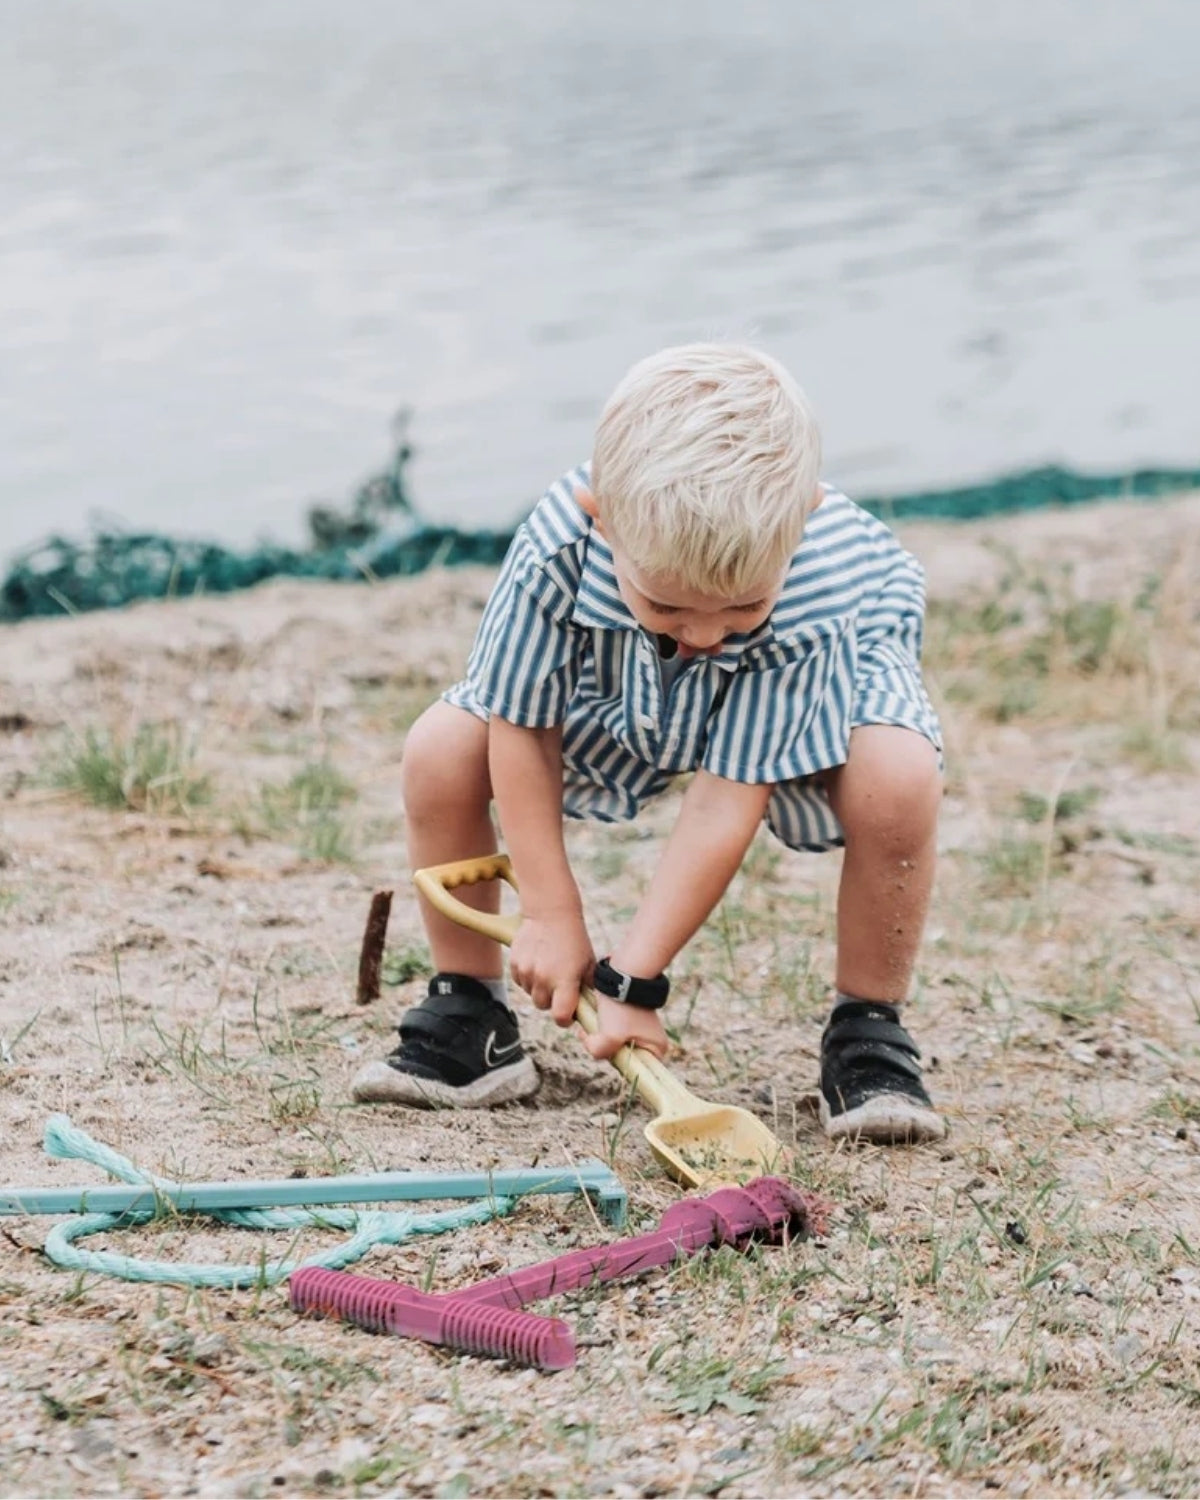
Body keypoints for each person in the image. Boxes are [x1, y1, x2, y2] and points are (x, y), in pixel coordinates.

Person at [352, 343, 946, 1143]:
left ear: (801, 523)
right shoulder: (557, 545)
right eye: (668, 605)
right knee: (442, 749)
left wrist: (633, 978)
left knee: (897, 777)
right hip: (621, 679)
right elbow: (519, 726)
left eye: (739, 610)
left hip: (816, 678)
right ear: (603, 521)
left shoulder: (812, 584)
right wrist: (552, 915)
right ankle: (470, 1013)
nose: (704, 635)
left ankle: (868, 1029)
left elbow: (727, 794)